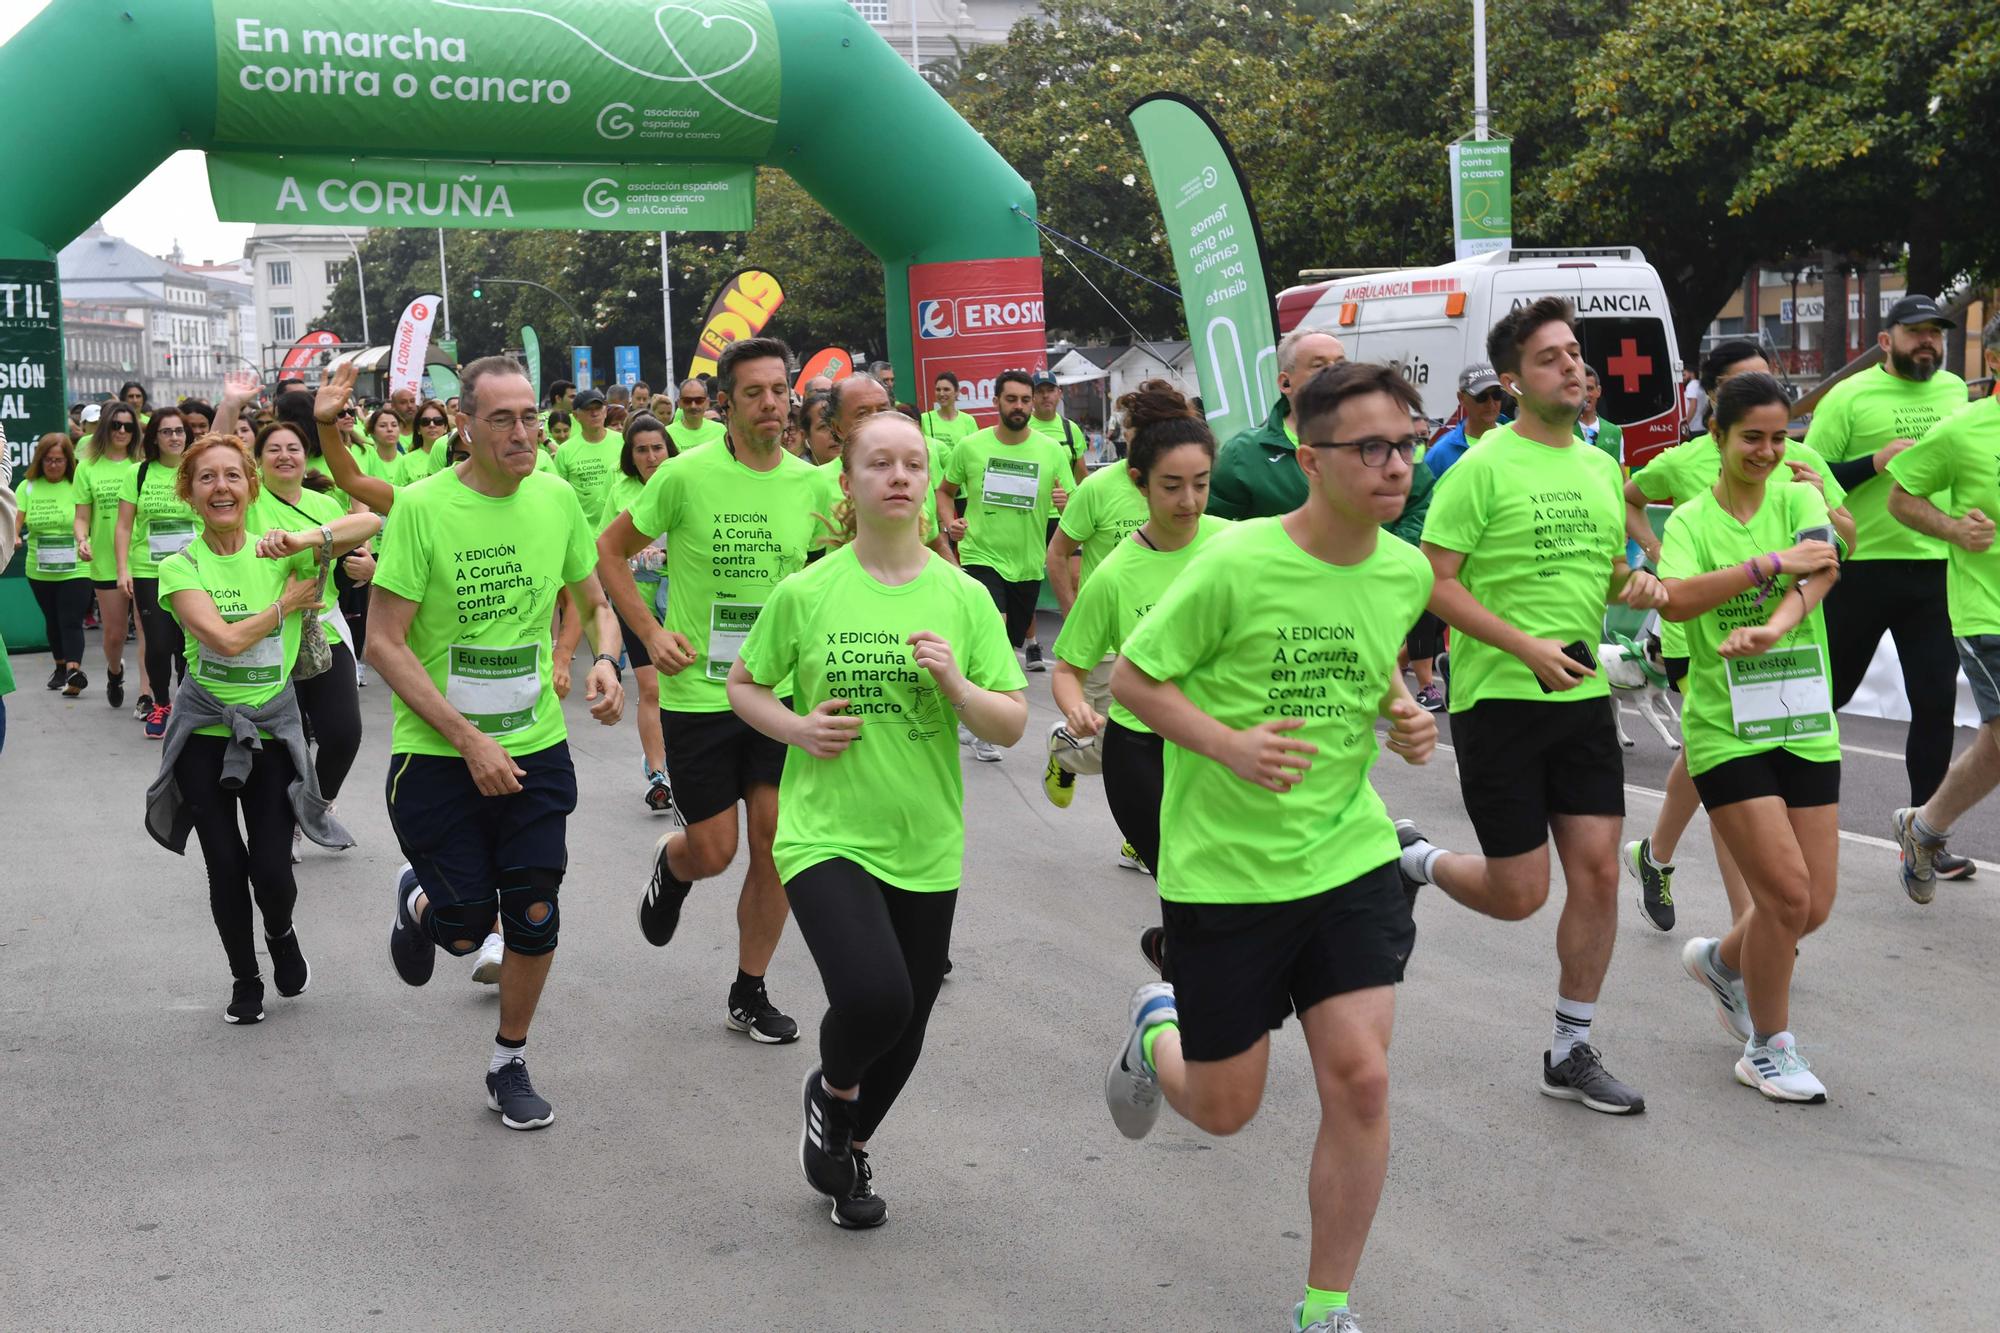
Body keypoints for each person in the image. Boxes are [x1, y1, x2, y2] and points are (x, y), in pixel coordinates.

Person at [1102, 362, 1439, 1333]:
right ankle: (1154, 1023)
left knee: (1361, 1076)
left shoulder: (1401, 567)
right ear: (1310, 461)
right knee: (1221, 1108)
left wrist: (1402, 710)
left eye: (1404, 443)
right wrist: (1229, 746)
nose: (1393, 465)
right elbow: (1135, 682)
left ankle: (1324, 1307)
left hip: (1345, 855)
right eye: (1368, 447)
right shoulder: (1236, 562)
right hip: (1226, 872)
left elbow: (1364, 657)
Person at [727, 413, 1026, 1228]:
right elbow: (744, 685)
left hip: (926, 839)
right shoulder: (809, 590)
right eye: (879, 463)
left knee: (909, 1023)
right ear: (849, 482)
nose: (899, 475)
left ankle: (847, 1141)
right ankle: (833, 1088)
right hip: (825, 830)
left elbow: (1012, 721)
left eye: (913, 464)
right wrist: (797, 729)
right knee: (874, 995)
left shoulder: (963, 596)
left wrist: (960, 688)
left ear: (929, 481)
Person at [1400, 296, 1668, 1116]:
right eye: (1552, 357)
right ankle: (1412, 859)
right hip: (1502, 700)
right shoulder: (1479, 467)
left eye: (1575, 352)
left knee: (1595, 875)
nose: (1575, 366)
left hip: (1582, 699)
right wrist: (1524, 647)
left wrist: (1642, 584)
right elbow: (1433, 582)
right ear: (1512, 382)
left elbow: (1606, 577)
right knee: (1521, 893)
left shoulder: (1598, 468)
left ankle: (1571, 1045)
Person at [372, 356, 625, 1130]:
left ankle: (507, 1058)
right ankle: (421, 901)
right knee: (462, 927)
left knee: (535, 911)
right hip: (439, 755)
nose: (524, 434)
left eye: (531, 419)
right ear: (464, 425)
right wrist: (468, 738)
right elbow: (383, 643)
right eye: (503, 420)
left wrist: (606, 658)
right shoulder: (422, 507)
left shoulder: (554, 498)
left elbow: (595, 597)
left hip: (536, 745)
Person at [598, 336, 819, 1045]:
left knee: (776, 841)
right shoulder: (683, 476)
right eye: (753, 392)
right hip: (700, 693)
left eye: (779, 390)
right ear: (724, 404)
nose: (770, 403)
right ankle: (674, 860)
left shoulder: (811, 484)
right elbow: (609, 552)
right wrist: (651, 634)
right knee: (716, 849)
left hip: (778, 696)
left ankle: (749, 991)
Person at [1620, 340, 1853, 930]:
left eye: (1768, 382)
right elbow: (1634, 503)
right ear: (1716, 407)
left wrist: (1826, 511)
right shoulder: (1687, 462)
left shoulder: (1794, 465)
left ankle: (1735, 914)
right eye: (1744, 388)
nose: (1768, 447)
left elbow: (1841, 542)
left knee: (1721, 778)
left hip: (1790, 663)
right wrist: (1657, 552)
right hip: (1702, 643)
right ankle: (1749, 925)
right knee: (1724, 772)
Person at [1658, 372, 1844, 1101]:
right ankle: (1769, 1046)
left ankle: (1719, 961)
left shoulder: (1800, 493)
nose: (1768, 451)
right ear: (1718, 437)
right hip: (1725, 727)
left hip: (1802, 715)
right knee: (1786, 895)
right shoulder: (1691, 522)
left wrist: (1773, 624)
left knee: (1812, 905)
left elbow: (1821, 567)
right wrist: (1767, 565)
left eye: (1779, 436)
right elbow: (1676, 599)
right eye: (1752, 438)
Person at [148, 434, 365, 1025]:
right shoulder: (179, 565)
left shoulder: (282, 552)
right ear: (189, 494)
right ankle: (245, 980)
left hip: (271, 730)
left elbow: (368, 520)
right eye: (206, 479)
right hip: (205, 734)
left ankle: (281, 932)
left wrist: (305, 539)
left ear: (251, 486)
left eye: (232, 477)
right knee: (225, 862)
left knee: (270, 867)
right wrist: (287, 606)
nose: (221, 488)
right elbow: (221, 638)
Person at [1805, 293, 1975, 880]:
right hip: (1862, 567)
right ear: (1886, 341)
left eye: (1935, 333)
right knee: (1828, 696)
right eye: (1915, 332)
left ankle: (1925, 837)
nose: (1927, 342)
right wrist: (1872, 463)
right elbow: (1806, 478)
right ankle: (1787, 808)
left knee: (1935, 703)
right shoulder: (1848, 397)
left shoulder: (1956, 393)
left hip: (1933, 569)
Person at [1050, 381, 1224, 882]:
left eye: (1201, 483)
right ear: (1139, 482)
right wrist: (1077, 709)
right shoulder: (1114, 576)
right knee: (1181, 878)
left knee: (1228, 885)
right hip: (1141, 749)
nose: (1189, 501)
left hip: (1218, 740)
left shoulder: (1237, 545)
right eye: (1171, 486)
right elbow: (1068, 670)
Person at [1885, 312, 2000, 902]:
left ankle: (1923, 827)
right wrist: (1955, 529)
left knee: (1997, 749)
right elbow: (1901, 496)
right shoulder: (1964, 430)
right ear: (1996, 362)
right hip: (1988, 613)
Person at [1042, 383, 1156, 823]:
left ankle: (1141, 835)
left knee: (1159, 746)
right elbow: (1057, 554)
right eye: (1134, 430)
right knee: (1116, 746)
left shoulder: (1175, 487)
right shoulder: (1098, 488)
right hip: (1107, 642)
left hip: (1165, 638)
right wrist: (1075, 619)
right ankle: (1067, 755)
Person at [251, 419, 368, 836]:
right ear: (258, 460)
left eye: (293, 448)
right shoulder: (247, 502)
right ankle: (284, 824)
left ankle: (312, 809)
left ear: (306, 458)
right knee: (287, 740)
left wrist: (363, 569)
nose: (285, 456)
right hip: (266, 634)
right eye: (274, 449)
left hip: (324, 632)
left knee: (343, 734)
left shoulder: (325, 506)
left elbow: (360, 535)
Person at [937, 370, 1070, 714]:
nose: (1019, 406)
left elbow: (1072, 499)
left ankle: (970, 696)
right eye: (1011, 399)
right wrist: (951, 523)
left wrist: (1065, 501)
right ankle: (978, 715)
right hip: (981, 554)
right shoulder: (971, 447)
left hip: (1026, 563)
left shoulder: (1050, 450)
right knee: (992, 632)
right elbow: (944, 491)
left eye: (1025, 400)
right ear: (996, 401)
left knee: (1008, 642)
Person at [601, 414, 678, 814]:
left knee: (683, 690)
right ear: (631, 456)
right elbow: (606, 548)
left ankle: (683, 760)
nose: (651, 457)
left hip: (682, 606)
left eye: (657, 448)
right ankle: (659, 772)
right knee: (651, 689)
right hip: (637, 607)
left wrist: (665, 555)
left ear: (669, 449)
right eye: (641, 450)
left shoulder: (685, 482)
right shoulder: (621, 491)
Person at [115, 406, 199, 736]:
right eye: (167, 431)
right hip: (150, 570)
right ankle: (161, 703)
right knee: (160, 643)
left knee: (189, 643)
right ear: (155, 438)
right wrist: (123, 569)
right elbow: (123, 527)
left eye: (180, 431)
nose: (174, 437)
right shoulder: (138, 473)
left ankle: (190, 706)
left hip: (194, 570)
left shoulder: (196, 470)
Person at [1207, 326, 1345, 519]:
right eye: (1318, 365)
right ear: (1285, 383)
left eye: (1340, 364)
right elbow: (1209, 526)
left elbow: (1403, 502)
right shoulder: (1245, 453)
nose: (1335, 372)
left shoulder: (1376, 436)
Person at [72, 398, 145, 707]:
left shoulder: (144, 465)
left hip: (143, 558)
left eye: (128, 426)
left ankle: (147, 696)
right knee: (114, 634)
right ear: (104, 427)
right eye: (115, 425)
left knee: (147, 634)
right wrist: (81, 539)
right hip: (105, 561)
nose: (122, 431)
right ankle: (115, 673)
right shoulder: (87, 467)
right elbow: (81, 516)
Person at [18, 433, 90, 692]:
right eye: (48, 460)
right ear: (40, 460)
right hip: (40, 568)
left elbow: (87, 516)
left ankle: (74, 671)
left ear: (68, 461)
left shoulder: (77, 484)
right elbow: (16, 521)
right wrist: (13, 536)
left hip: (76, 566)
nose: (54, 465)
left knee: (70, 618)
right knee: (52, 618)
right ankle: (60, 666)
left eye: (59, 460)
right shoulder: (27, 486)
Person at [1418, 362, 1508, 479]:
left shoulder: (1517, 439)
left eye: (1497, 394)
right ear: (1461, 398)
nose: (1491, 403)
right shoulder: (1441, 453)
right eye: (1481, 396)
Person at [554, 387, 625, 527]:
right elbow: (559, 495)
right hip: (583, 530)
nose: (594, 414)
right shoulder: (565, 451)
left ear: (605, 411)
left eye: (598, 408)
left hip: (619, 529)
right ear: (575, 415)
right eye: (588, 409)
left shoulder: (623, 442)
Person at [1028, 369, 1090, 485]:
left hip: (1068, 502)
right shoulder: (1021, 428)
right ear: (1031, 396)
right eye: (1039, 391)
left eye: (1050, 390)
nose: (1045, 395)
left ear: (1059, 394)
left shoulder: (1071, 429)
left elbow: (1081, 476)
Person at [919, 371, 978, 457]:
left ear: (957, 392)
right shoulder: (924, 419)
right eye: (938, 390)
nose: (941, 394)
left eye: (946, 389)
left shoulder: (968, 421)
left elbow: (974, 452)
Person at [1578, 366, 1623, 465]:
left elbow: (1621, 475)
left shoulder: (1615, 432)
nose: (1586, 394)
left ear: (1598, 391)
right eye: (1581, 388)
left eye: (1589, 388)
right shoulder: (1563, 429)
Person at [667, 378, 726, 454]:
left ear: (707, 403)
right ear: (679, 403)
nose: (693, 406)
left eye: (699, 400)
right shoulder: (668, 434)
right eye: (687, 401)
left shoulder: (720, 430)